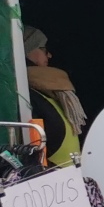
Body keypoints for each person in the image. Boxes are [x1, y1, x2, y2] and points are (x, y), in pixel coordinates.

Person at [21, 25, 86, 167]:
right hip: (50, 185)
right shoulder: (25, 96)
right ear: (28, 50)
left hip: (66, 182)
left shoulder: (46, 93)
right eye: (44, 49)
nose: (49, 55)